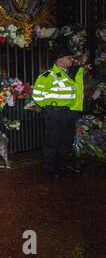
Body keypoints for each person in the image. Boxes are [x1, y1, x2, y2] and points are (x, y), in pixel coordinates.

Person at [32, 41, 85, 178]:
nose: (72, 60)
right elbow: (37, 95)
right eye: (69, 57)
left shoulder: (71, 75)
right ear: (59, 60)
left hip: (70, 112)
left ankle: (63, 164)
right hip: (55, 113)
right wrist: (48, 108)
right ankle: (50, 167)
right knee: (52, 141)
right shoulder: (47, 76)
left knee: (67, 140)